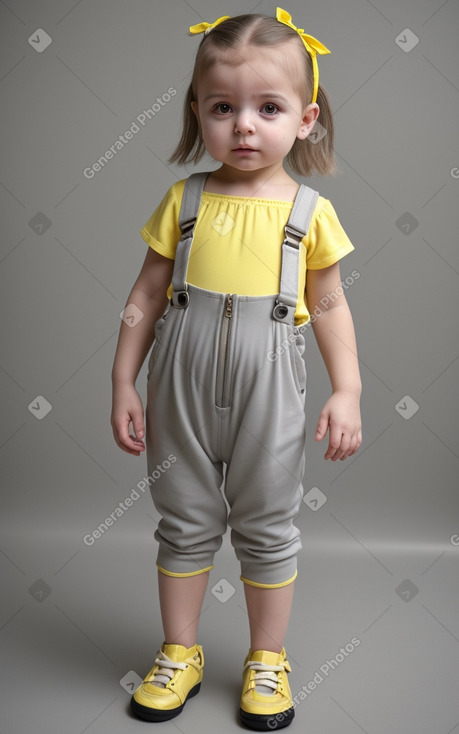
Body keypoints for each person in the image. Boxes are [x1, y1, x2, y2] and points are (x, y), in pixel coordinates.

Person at [110, 7, 362, 730]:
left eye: (268, 108)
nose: (244, 126)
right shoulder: (184, 201)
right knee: (183, 520)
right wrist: (123, 380)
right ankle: (180, 653)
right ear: (198, 113)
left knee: (267, 524)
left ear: (305, 118)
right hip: (178, 385)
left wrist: (347, 389)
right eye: (223, 108)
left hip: (270, 392)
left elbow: (331, 305)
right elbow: (145, 297)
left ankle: (265, 659)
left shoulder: (310, 213)